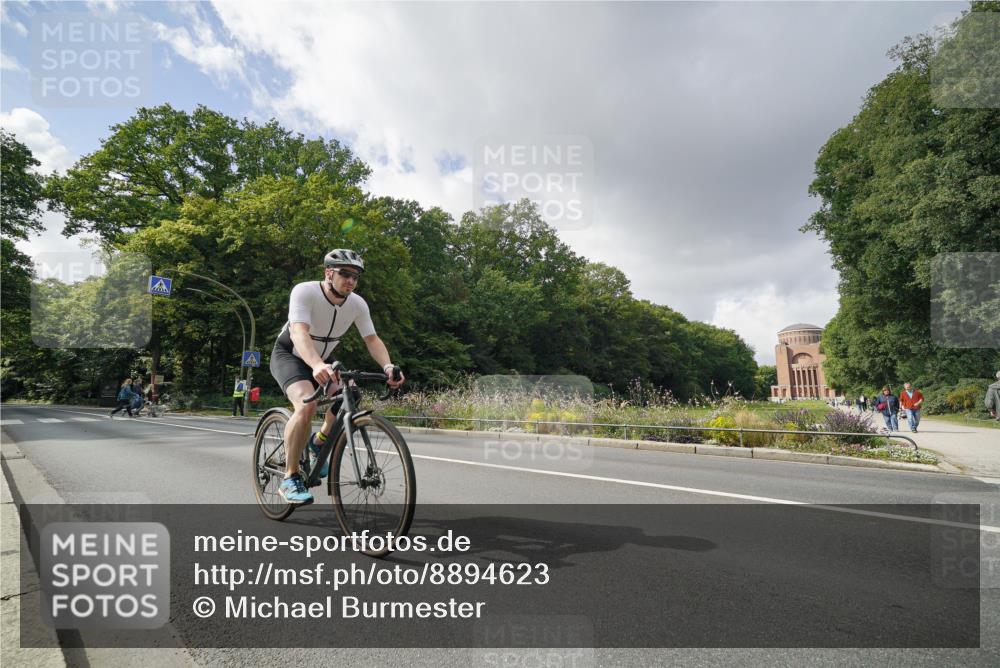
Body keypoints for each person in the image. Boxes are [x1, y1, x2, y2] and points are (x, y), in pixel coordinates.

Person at [269, 248, 405, 505]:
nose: (351, 281)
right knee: (306, 404)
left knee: (350, 394)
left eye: (356, 276)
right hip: (291, 354)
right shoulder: (305, 291)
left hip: (324, 358)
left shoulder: (357, 304)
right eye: (345, 274)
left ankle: (319, 441)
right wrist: (317, 364)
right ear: (328, 273)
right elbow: (299, 332)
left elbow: (372, 339)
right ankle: (290, 477)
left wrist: (388, 367)